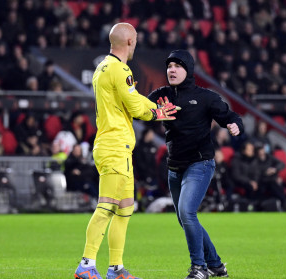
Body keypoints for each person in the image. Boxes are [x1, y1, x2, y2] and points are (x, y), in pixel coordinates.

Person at [74, 23, 178, 279]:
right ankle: (85, 265)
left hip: (118, 146)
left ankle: (116, 269)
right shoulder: (121, 70)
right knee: (106, 207)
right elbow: (134, 106)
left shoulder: (104, 67)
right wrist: (157, 113)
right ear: (130, 42)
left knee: (125, 208)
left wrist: (155, 106)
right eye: (136, 41)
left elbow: (133, 98)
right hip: (114, 147)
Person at [148, 49, 244, 279]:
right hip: (175, 167)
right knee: (185, 218)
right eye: (169, 66)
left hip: (200, 163)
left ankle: (199, 268)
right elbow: (137, 108)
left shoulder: (205, 97)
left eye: (177, 66)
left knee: (186, 213)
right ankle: (216, 265)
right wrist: (152, 112)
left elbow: (230, 116)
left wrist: (234, 124)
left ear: (189, 70)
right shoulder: (161, 95)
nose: (171, 69)